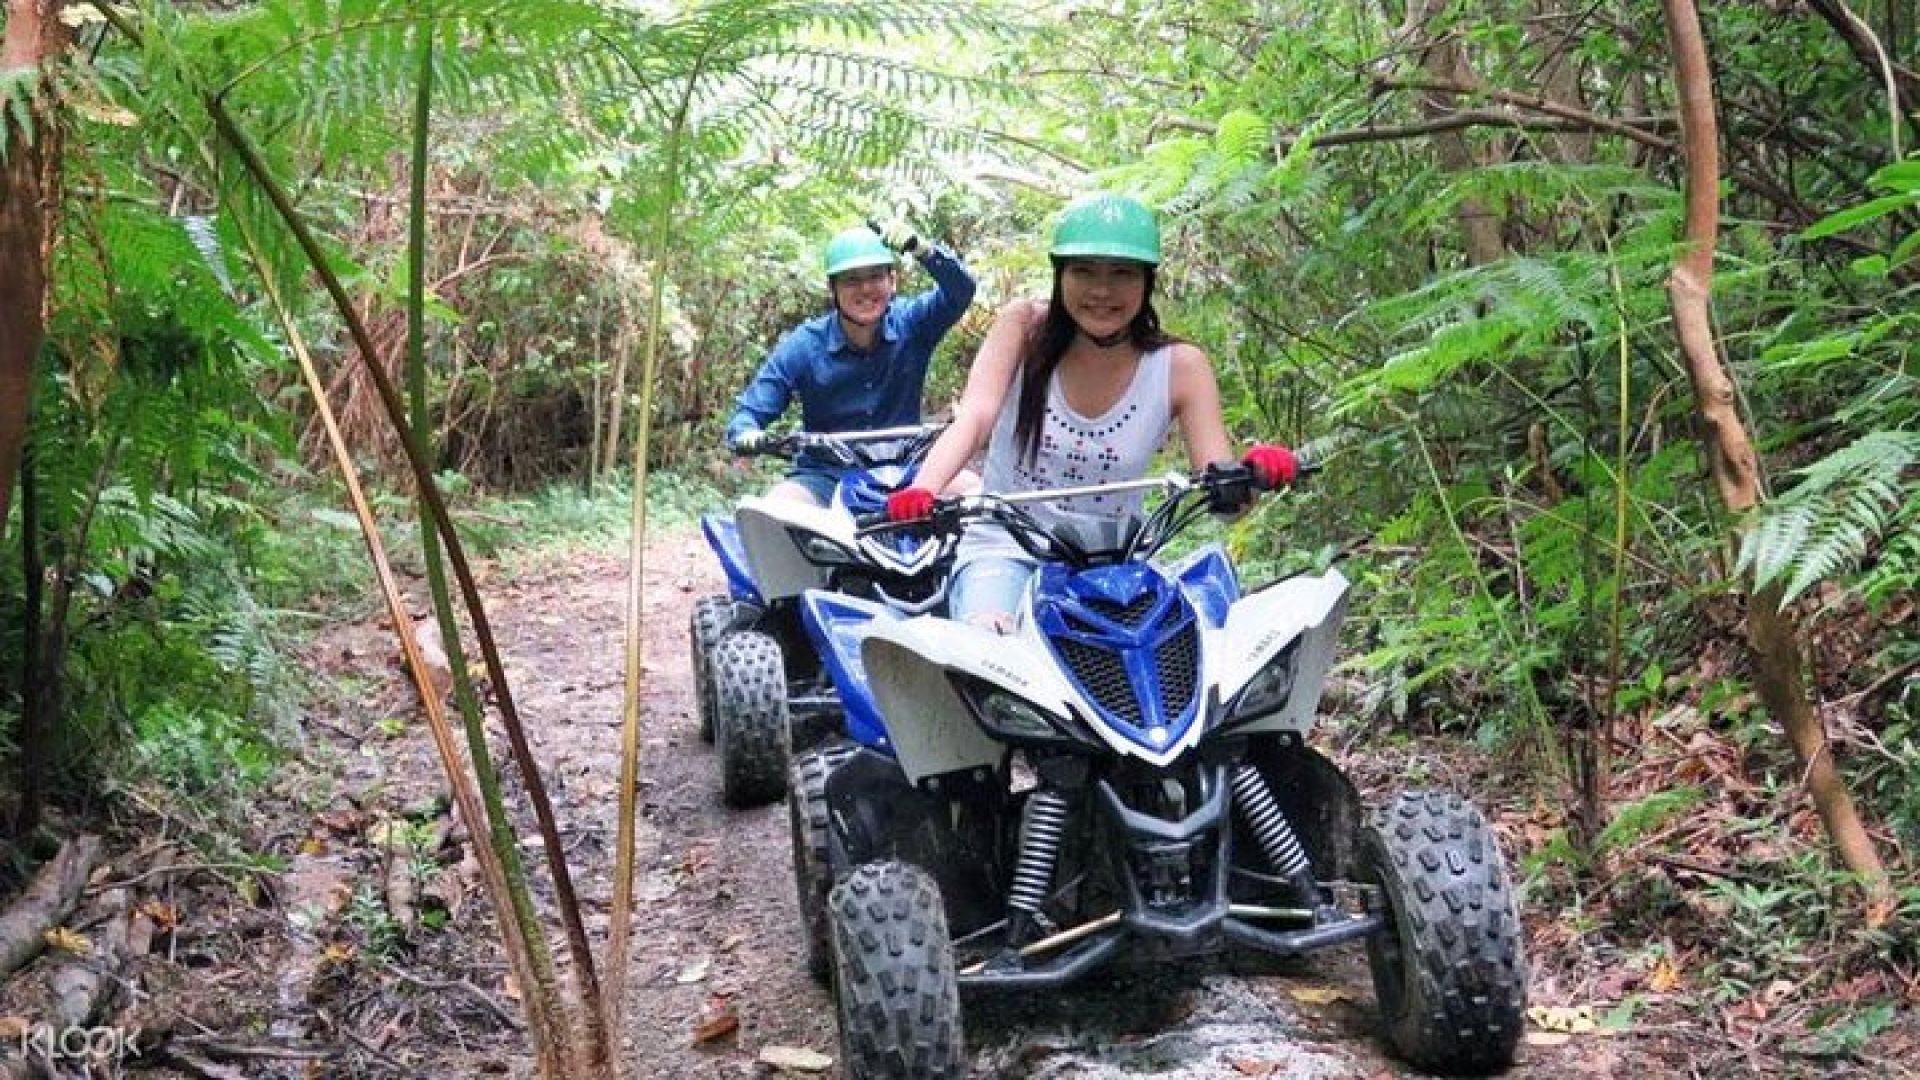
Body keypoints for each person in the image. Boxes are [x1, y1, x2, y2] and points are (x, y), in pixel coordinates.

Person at [884, 193, 1296, 630]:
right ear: (1060, 276)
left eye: (1121, 273)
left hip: (1117, 565)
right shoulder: (1024, 327)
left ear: (1146, 281)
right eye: (1084, 271)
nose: (1102, 290)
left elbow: (1224, 496)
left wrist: (1252, 474)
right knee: (988, 645)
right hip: (1006, 548)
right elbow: (976, 416)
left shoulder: (1180, 365)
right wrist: (924, 489)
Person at [724, 223, 978, 505]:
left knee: (978, 495)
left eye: (876, 276)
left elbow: (961, 291)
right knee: (772, 513)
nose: (866, 289)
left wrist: (924, 251)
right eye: (852, 280)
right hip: (826, 477)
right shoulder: (805, 345)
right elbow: (751, 410)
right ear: (832, 288)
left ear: (892, 282)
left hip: (908, 472)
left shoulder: (914, 323)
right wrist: (748, 434)